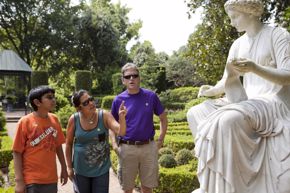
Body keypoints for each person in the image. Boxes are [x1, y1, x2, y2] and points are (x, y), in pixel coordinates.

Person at [187, 0, 290, 193]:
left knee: (228, 120)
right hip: (245, 102)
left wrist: (255, 68)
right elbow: (227, 78)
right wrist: (211, 91)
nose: (232, 22)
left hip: (272, 101)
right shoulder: (237, 44)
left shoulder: (278, 35)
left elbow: (288, 75)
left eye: (235, 17)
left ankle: (235, 186)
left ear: (250, 12)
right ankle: (212, 184)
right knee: (195, 113)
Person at [110, 63, 168, 193]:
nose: (132, 79)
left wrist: (160, 139)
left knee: (147, 188)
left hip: (148, 147)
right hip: (127, 148)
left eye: (135, 76)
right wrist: (114, 144)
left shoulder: (151, 96)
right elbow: (111, 124)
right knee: (127, 188)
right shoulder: (118, 100)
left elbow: (163, 118)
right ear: (123, 80)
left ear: (139, 78)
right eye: (128, 76)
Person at [65, 89, 127, 193]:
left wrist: (122, 118)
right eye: (86, 103)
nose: (91, 103)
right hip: (80, 169)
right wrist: (69, 167)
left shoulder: (104, 115)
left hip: (101, 169)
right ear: (79, 108)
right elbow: (68, 144)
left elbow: (121, 132)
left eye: (91, 99)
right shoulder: (74, 119)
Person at [12, 85, 68, 193]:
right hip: (32, 180)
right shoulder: (25, 122)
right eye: (49, 97)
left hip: (51, 179)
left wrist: (64, 168)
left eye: (53, 97)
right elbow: (16, 152)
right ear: (37, 102)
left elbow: (58, 146)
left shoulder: (55, 119)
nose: (53, 100)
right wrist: (19, 181)